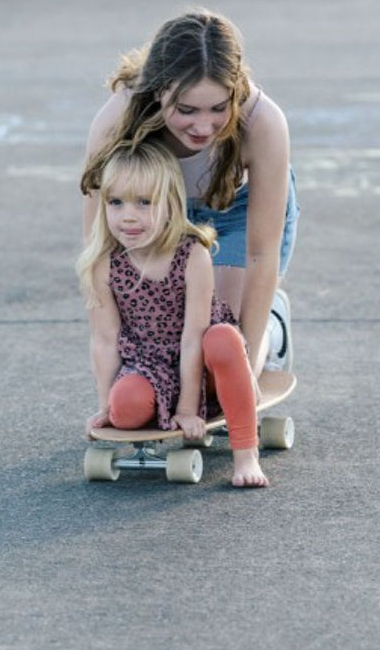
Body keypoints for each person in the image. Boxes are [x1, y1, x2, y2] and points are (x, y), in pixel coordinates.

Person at [81, 8, 299, 380]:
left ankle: (274, 326)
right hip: (163, 213)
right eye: (186, 110)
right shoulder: (118, 118)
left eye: (219, 108)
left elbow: (262, 254)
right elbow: (97, 245)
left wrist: (243, 366)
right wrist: (112, 362)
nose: (203, 126)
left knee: (221, 344)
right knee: (167, 344)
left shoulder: (263, 121)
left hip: (237, 215)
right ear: (158, 91)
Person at [77, 139, 269, 487]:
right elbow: (104, 341)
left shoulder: (191, 255)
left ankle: (246, 453)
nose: (129, 216)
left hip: (205, 362)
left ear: (171, 205)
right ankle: (130, 406)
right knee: (127, 408)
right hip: (151, 367)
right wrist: (106, 408)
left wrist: (186, 409)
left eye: (144, 203)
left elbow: (192, 337)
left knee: (223, 338)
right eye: (116, 203)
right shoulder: (104, 264)